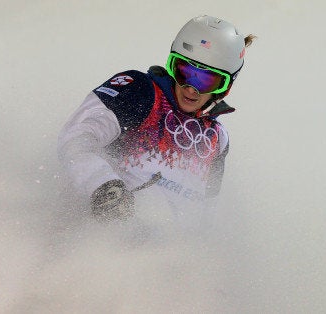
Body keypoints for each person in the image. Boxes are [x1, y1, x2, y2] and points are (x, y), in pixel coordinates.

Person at [57, 15, 255, 226]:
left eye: (207, 80)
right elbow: (76, 138)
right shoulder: (140, 91)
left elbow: (208, 210)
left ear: (226, 86)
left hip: (163, 252)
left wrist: (199, 249)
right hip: (103, 232)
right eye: (184, 72)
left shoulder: (217, 138)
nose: (191, 88)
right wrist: (104, 185)